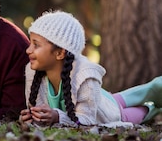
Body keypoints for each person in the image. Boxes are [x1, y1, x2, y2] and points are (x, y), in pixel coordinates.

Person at [20, 10, 162, 126]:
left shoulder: (85, 75)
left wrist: (57, 116)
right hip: (100, 99)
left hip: (108, 112)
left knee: (150, 97)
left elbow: (87, 121)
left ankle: (155, 97)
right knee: (146, 102)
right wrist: (33, 118)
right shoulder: (32, 71)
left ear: (60, 53)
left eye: (36, 44)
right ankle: (154, 99)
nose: (28, 50)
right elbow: (41, 115)